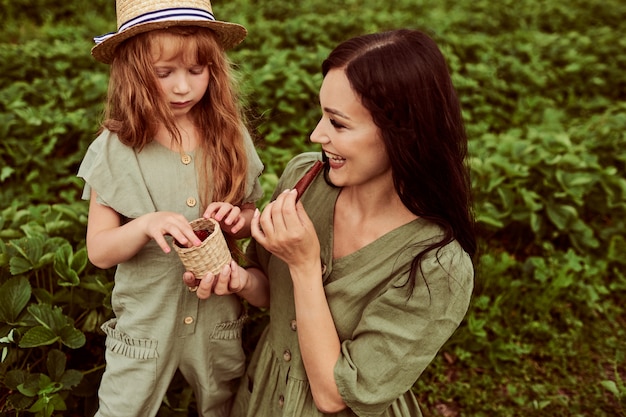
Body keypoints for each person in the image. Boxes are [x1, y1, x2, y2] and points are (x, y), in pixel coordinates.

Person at [184, 29, 476, 417]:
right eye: (322, 114)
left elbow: (336, 396)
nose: (316, 134)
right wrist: (239, 272)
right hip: (262, 398)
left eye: (338, 124)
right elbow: (276, 296)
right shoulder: (306, 178)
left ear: (402, 133)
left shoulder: (437, 267)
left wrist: (305, 265)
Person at [77, 1, 264, 416]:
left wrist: (240, 220)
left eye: (196, 71)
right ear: (134, 73)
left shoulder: (229, 136)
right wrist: (145, 224)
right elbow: (100, 251)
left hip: (216, 320)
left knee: (225, 403)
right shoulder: (115, 150)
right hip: (145, 327)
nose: (183, 87)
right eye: (164, 73)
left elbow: (253, 215)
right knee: (122, 408)